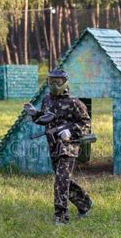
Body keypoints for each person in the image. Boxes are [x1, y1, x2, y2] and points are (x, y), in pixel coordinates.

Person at [23, 69, 93, 225]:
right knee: (63, 179)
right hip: (53, 144)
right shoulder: (47, 100)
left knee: (61, 180)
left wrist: (70, 130)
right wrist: (34, 113)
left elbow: (86, 124)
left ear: (65, 82)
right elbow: (45, 118)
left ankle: (61, 216)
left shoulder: (75, 103)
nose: (55, 84)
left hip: (69, 146)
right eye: (51, 80)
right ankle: (85, 203)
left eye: (58, 81)